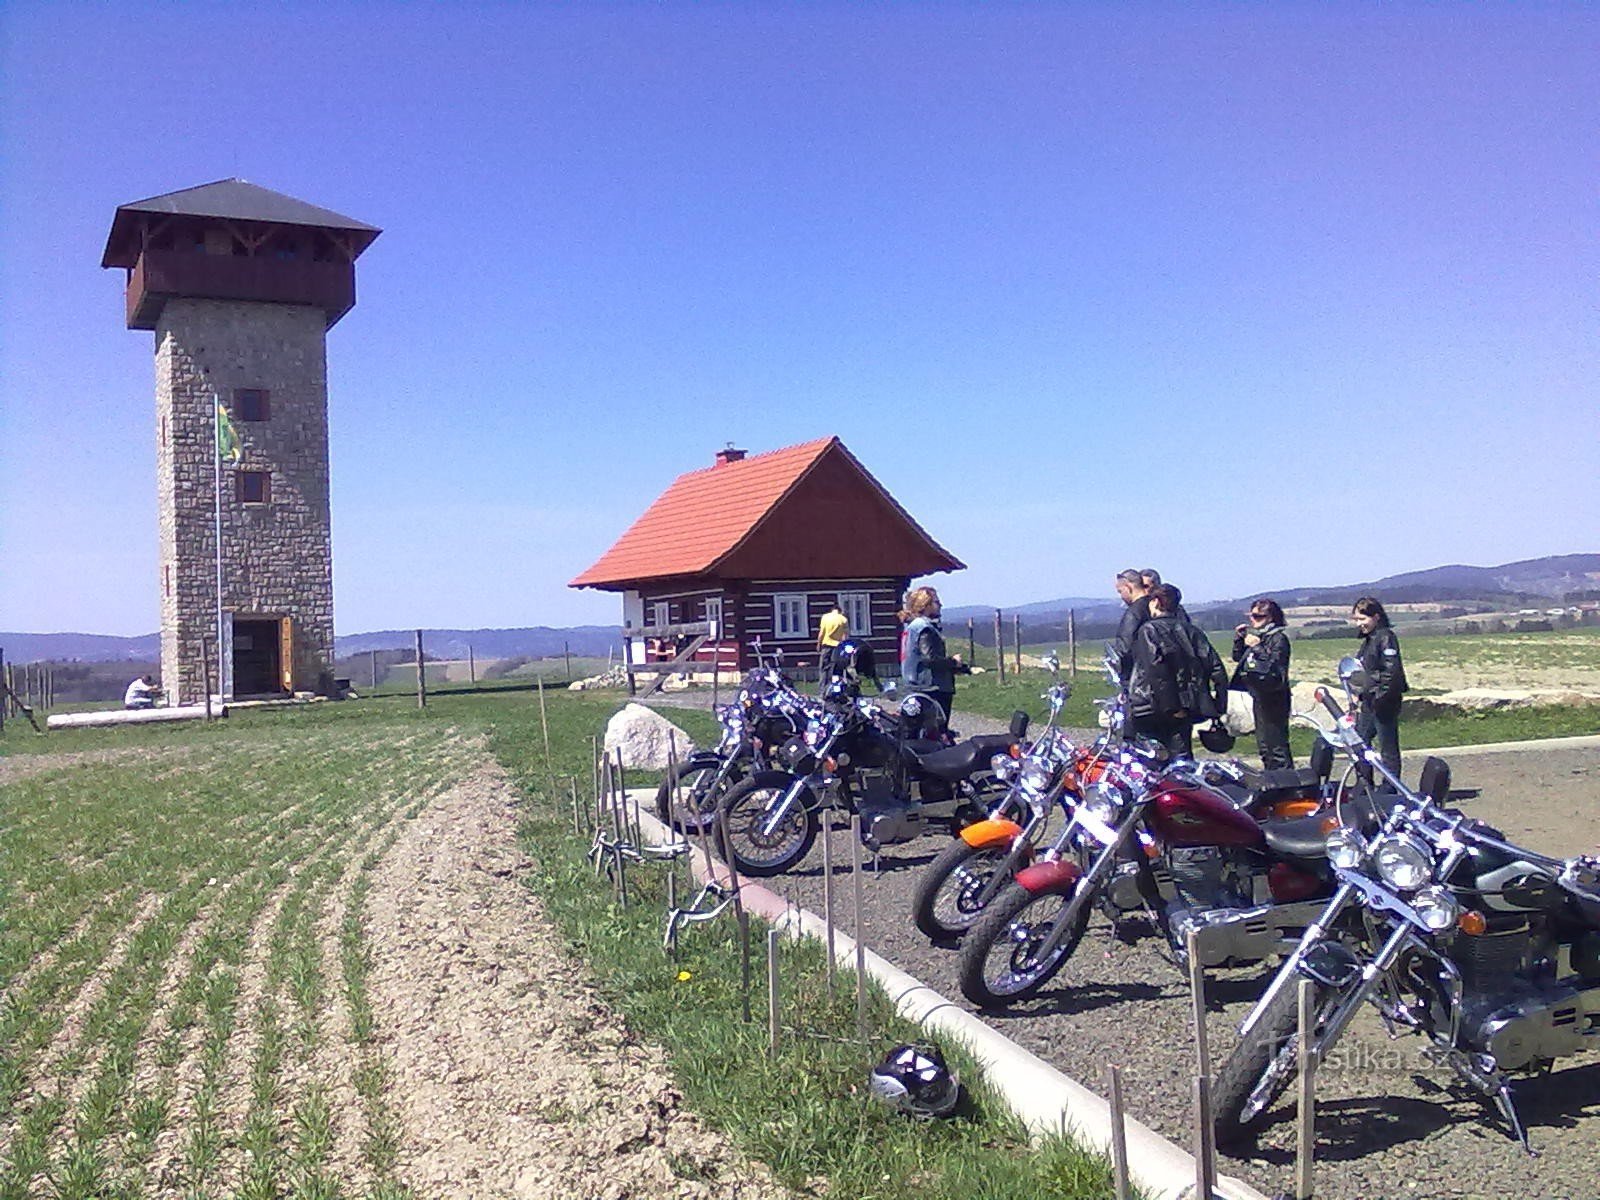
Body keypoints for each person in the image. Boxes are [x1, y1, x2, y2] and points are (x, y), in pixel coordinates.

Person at [1128, 585, 1228, 758]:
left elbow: (1158, 671)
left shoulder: (1149, 631)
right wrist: (1218, 705)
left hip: (1151, 706)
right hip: (1186, 705)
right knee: (1181, 758)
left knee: (1151, 759)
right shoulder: (1193, 632)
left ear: (1156, 602)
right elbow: (1217, 669)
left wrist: (1171, 707)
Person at [1231, 599, 1293, 770]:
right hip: (1259, 694)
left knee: (1277, 745)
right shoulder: (1261, 637)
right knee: (1265, 746)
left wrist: (1257, 648)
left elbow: (1274, 669)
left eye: (1258, 616)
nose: (1253, 620)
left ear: (1271, 617)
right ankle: (1272, 779)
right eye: (1251, 616)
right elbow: (1238, 658)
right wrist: (1239, 640)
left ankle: (1286, 782)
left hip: (1275, 697)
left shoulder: (1278, 639)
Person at [1351, 597, 1407, 777]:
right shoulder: (1369, 640)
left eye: (1363, 619)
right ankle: (1364, 784)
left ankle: (1390, 786)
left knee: (1387, 746)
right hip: (1369, 700)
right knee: (1359, 742)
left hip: (1384, 700)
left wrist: (1380, 697)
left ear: (1376, 617)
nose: (1359, 624)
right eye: (1356, 620)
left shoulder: (1386, 637)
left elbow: (1391, 672)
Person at [898, 586, 968, 726]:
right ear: (926, 605)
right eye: (936, 602)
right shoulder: (924, 628)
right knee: (934, 733)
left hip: (914, 685)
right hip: (930, 688)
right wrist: (953, 662)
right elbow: (930, 659)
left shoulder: (912, 626)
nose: (940, 605)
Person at [1110, 568, 1151, 683]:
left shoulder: (1134, 613)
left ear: (1128, 587)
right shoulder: (1156, 606)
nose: (1121, 596)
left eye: (1120, 591)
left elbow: (1124, 648)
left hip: (1139, 677)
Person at [816, 603, 849, 685]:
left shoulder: (825, 617)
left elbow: (822, 632)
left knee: (824, 668)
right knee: (836, 669)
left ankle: (823, 689)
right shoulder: (843, 619)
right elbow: (845, 636)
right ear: (840, 611)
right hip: (838, 647)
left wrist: (818, 644)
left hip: (826, 646)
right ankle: (835, 687)